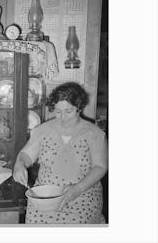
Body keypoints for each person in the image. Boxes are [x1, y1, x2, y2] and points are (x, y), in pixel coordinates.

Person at [13, 82, 108, 224]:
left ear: (79, 108)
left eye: (68, 111)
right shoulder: (43, 130)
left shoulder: (94, 133)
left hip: (83, 195)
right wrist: (19, 164)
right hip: (45, 197)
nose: (63, 117)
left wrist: (77, 189)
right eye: (58, 111)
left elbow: (100, 167)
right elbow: (26, 155)